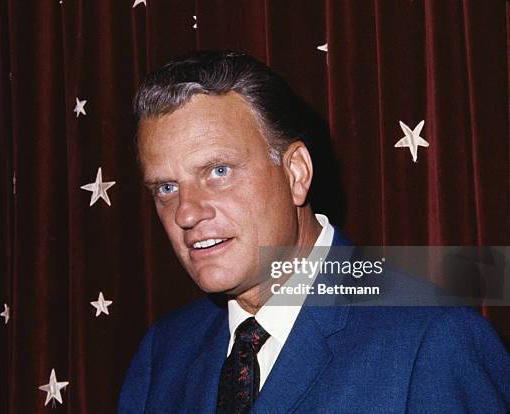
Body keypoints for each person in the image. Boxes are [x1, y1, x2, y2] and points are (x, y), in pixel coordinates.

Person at [118, 50, 509, 413]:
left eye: (219, 171)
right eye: (166, 188)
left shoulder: (432, 339)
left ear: (296, 173)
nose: (186, 212)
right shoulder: (163, 354)